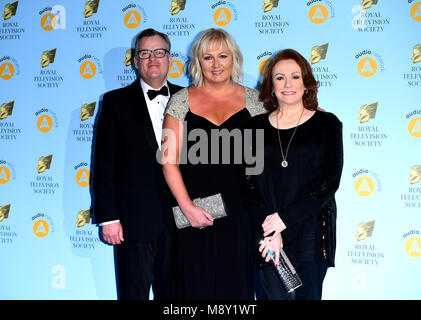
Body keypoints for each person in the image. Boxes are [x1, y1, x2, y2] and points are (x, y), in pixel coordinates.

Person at [161, 28, 265, 299]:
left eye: (223, 56)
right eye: (208, 57)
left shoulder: (256, 102)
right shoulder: (181, 100)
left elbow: (279, 140)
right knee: (193, 288)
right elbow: (168, 162)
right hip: (195, 212)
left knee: (237, 289)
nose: (216, 64)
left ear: (234, 59)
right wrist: (188, 208)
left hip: (242, 215)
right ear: (197, 61)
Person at [244, 48, 343, 300]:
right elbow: (248, 183)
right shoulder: (254, 127)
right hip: (267, 233)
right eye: (279, 77)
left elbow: (329, 181)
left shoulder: (327, 124)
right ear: (271, 85)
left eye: (295, 76)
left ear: (306, 83)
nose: (288, 84)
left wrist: (284, 219)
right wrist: (271, 229)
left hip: (311, 232)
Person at [93, 28, 183, 300]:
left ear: (169, 59)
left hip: (182, 222)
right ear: (135, 61)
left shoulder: (191, 98)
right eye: (145, 53)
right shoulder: (115, 102)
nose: (152, 58)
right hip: (133, 222)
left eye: (159, 52)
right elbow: (103, 164)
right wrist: (109, 218)